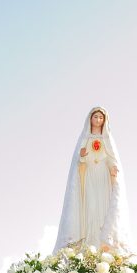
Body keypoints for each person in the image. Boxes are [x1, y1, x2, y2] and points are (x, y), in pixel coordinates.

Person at [54, 106, 131, 252]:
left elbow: (110, 157)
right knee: (90, 207)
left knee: (103, 207)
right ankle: (89, 245)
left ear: (104, 121)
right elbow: (79, 162)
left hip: (103, 177)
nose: (98, 120)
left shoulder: (107, 139)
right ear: (90, 119)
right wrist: (82, 156)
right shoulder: (85, 139)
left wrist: (113, 166)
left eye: (101, 117)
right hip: (89, 177)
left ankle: (103, 245)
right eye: (95, 117)